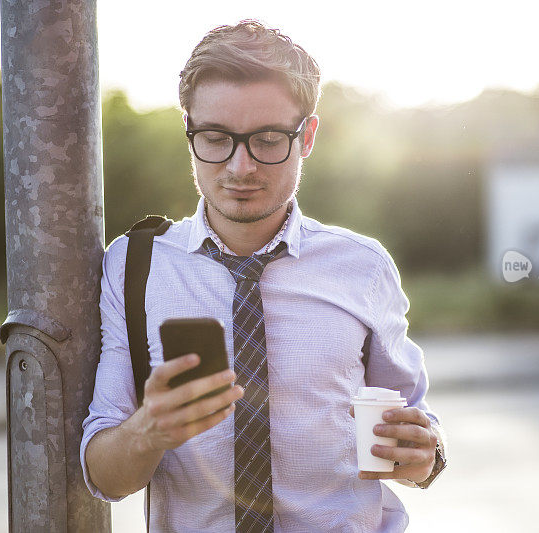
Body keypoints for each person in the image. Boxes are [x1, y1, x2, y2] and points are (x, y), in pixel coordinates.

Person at [81, 20, 446, 532]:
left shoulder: (363, 267)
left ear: (308, 136)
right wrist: (148, 431)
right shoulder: (133, 266)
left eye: (268, 140)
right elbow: (104, 477)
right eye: (215, 138)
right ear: (188, 132)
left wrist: (426, 454)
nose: (240, 167)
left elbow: (410, 441)